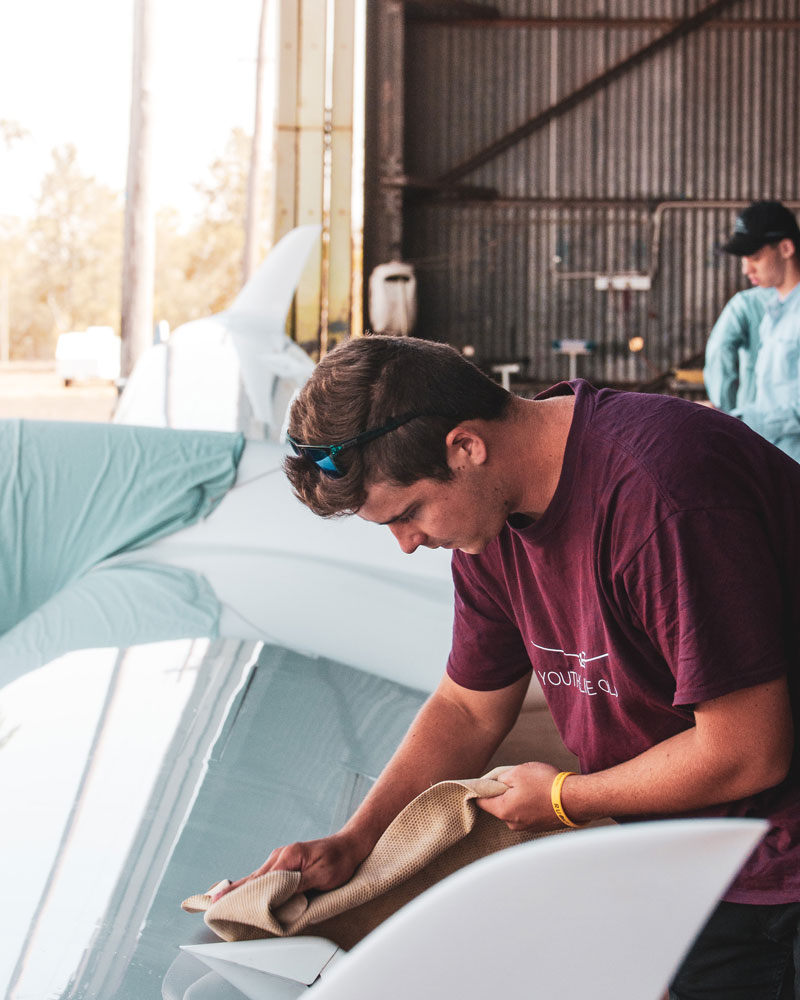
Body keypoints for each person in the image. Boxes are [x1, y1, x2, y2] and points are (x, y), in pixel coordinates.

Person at [220, 335, 800, 998]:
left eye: (407, 513)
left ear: (465, 446)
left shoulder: (664, 495)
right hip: (705, 859)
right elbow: (468, 707)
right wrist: (358, 840)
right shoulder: (493, 525)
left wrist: (563, 799)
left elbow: (748, 751)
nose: (408, 544)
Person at [720, 200, 800, 460]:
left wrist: (738, 420)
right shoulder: (773, 314)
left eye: (755, 257)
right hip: (778, 463)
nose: (746, 269)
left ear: (786, 248)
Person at [703, 286, 769, 413]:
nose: (746, 270)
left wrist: (727, 411)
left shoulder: (748, 302)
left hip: (753, 418)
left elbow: (719, 350)